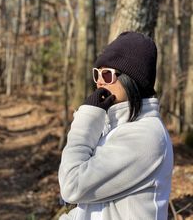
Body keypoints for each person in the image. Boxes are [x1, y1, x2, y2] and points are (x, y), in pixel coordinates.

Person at [58, 31, 173, 220]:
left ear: (132, 80)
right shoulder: (116, 128)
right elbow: (92, 207)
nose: (100, 81)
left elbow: (72, 186)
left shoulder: (145, 136)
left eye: (108, 74)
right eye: (97, 73)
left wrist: (85, 120)